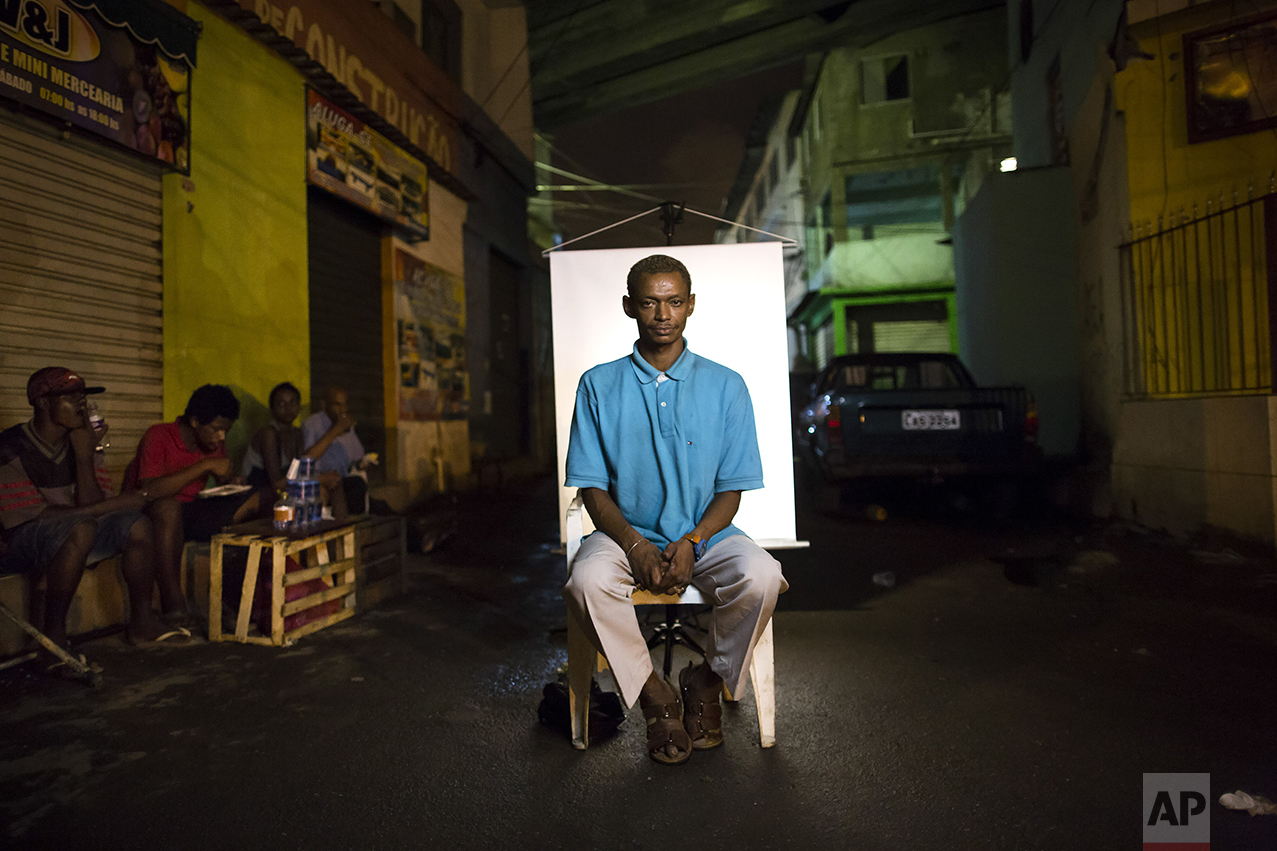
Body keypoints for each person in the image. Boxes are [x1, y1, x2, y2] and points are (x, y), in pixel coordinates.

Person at [562, 254, 788, 765]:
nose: (662, 314)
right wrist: (636, 545)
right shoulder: (598, 384)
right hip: (624, 534)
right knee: (585, 583)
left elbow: (731, 490)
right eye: (648, 302)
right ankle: (653, 695)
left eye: (673, 301)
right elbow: (593, 489)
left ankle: (704, 680)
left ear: (690, 305)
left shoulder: (727, 384)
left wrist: (692, 541)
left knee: (762, 576)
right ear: (629, 308)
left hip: (706, 534)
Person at [0, 367, 174, 659]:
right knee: (80, 527)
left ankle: (142, 623)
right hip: (18, 541)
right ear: (43, 402)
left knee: (136, 525)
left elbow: (95, 509)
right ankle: (52, 639)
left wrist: (84, 457)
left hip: (77, 533)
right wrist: (106, 507)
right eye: (70, 397)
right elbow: (32, 516)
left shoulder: (82, 441)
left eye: (83, 396)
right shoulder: (9, 446)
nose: (81, 403)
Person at [127, 384, 258, 626]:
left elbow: (221, 477)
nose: (221, 437)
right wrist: (204, 466)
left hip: (192, 512)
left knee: (258, 498)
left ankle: (242, 598)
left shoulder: (214, 443)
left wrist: (231, 481)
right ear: (195, 421)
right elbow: (149, 492)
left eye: (226, 432)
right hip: (153, 516)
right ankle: (173, 603)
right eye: (217, 429)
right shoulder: (159, 435)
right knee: (168, 508)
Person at [241, 382, 348, 517]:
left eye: (293, 403)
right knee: (318, 489)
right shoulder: (268, 434)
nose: (288, 408)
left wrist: (324, 478)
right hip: (261, 495)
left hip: (284, 491)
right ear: (272, 408)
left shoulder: (297, 434)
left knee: (334, 483)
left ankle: (343, 533)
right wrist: (320, 479)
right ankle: (317, 532)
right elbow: (277, 484)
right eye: (281, 404)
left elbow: (299, 472)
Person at [301, 386, 372, 514]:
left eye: (345, 405)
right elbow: (307, 461)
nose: (342, 410)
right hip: (318, 479)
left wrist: (362, 463)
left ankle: (354, 528)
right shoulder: (312, 424)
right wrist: (334, 431)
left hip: (340, 478)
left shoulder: (346, 424)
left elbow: (356, 456)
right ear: (324, 405)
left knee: (357, 484)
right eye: (337, 405)